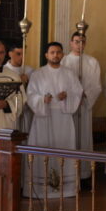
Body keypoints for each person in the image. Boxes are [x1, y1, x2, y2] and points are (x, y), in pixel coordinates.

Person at [25, 42, 84, 198]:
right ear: (46, 55)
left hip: (63, 118)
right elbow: (30, 95)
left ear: (62, 54)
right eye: (52, 52)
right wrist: (42, 99)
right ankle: (41, 189)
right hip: (43, 117)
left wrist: (67, 96)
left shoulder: (69, 74)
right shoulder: (38, 74)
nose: (55, 55)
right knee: (43, 148)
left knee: (63, 149)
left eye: (58, 52)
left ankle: (66, 188)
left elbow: (78, 92)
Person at [61, 31, 102, 187]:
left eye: (82, 41)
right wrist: (73, 95)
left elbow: (96, 86)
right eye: (76, 41)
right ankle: (69, 175)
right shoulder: (64, 61)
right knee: (69, 139)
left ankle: (84, 176)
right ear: (71, 43)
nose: (79, 44)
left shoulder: (92, 62)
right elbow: (60, 83)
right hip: (68, 107)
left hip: (84, 105)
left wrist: (83, 94)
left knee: (83, 138)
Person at [5, 42, 35, 133]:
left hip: (26, 112)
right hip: (10, 112)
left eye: (23, 54)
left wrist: (28, 82)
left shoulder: (30, 71)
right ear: (10, 54)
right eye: (18, 54)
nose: (22, 57)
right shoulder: (4, 70)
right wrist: (18, 81)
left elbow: (35, 91)